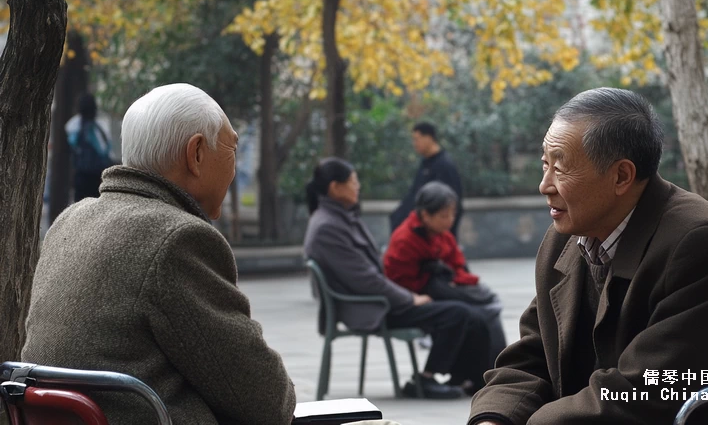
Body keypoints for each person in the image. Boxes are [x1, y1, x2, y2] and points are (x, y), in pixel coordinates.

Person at [469, 88, 708, 425]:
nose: (544, 185)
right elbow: (534, 352)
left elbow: (643, 393)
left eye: (561, 167)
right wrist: (496, 417)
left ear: (621, 176)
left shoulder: (701, 243)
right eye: (544, 164)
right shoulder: (564, 240)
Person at [23, 83, 296, 424]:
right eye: (232, 150)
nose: (234, 166)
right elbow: (266, 401)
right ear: (196, 154)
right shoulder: (177, 239)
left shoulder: (68, 223)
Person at [303, 157, 492, 398]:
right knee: (458, 314)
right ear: (335, 188)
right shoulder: (327, 227)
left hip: (378, 298)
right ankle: (425, 379)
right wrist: (409, 298)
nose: (357, 186)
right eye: (353, 181)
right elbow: (365, 280)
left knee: (470, 314)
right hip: (372, 306)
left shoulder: (340, 218)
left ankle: (466, 379)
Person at [384, 181, 507, 364]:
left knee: (486, 311)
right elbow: (400, 282)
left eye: (452, 214)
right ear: (425, 215)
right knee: (466, 315)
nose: (450, 220)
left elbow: (458, 265)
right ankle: (448, 374)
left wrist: (456, 280)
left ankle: (485, 373)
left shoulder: (441, 234)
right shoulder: (405, 240)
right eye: (444, 215)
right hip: (407, 301)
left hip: (436, 291)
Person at [390, 121, 464, 237]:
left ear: (429, 138)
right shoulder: (425, 163)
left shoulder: (444, 165)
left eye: (417, 139)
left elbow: (451, 203)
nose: (415, 144)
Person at [67, 93, 115, 202]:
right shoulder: (101, 125)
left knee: (79, 206)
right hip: (99, 175)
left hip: (81, 175)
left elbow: (72, 146)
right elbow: (107, 150)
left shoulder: (73, 125)